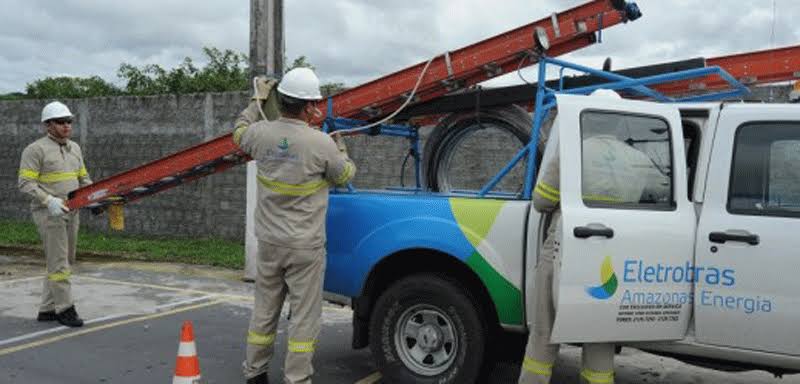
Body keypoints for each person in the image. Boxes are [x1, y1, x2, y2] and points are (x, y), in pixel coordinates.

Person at [518, 90, 653, 384]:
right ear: (618, 122)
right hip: (611, 253)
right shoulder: (638, 159)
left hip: (563, 248)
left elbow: (541, 201)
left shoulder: (574, 150)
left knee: (544, 334)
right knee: (600, 337)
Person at [234, 67, 356, 384]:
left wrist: (256, 99)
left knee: (264, 310)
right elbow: (344, 176)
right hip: (305, 246)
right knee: (304, 317)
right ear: (307, 107)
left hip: (270, 243)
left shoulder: (260, 133)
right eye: (314, 104)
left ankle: (255, 373)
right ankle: (297, 378)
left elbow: (238, 132)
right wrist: (341, 147)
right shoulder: (321, 143)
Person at [18, 101, 92, 328]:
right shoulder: (35, 150)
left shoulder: (75, 148)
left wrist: (94, 195)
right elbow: (25, 183)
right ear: (47, 125)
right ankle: (65, 308)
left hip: (72, 210)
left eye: (69, 121)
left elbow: (83, 178)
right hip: (49, 213)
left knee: (64, 260)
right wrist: (48, 200)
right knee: (59, 262)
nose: (67, 126)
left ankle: (47, 309)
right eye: (61, 122)